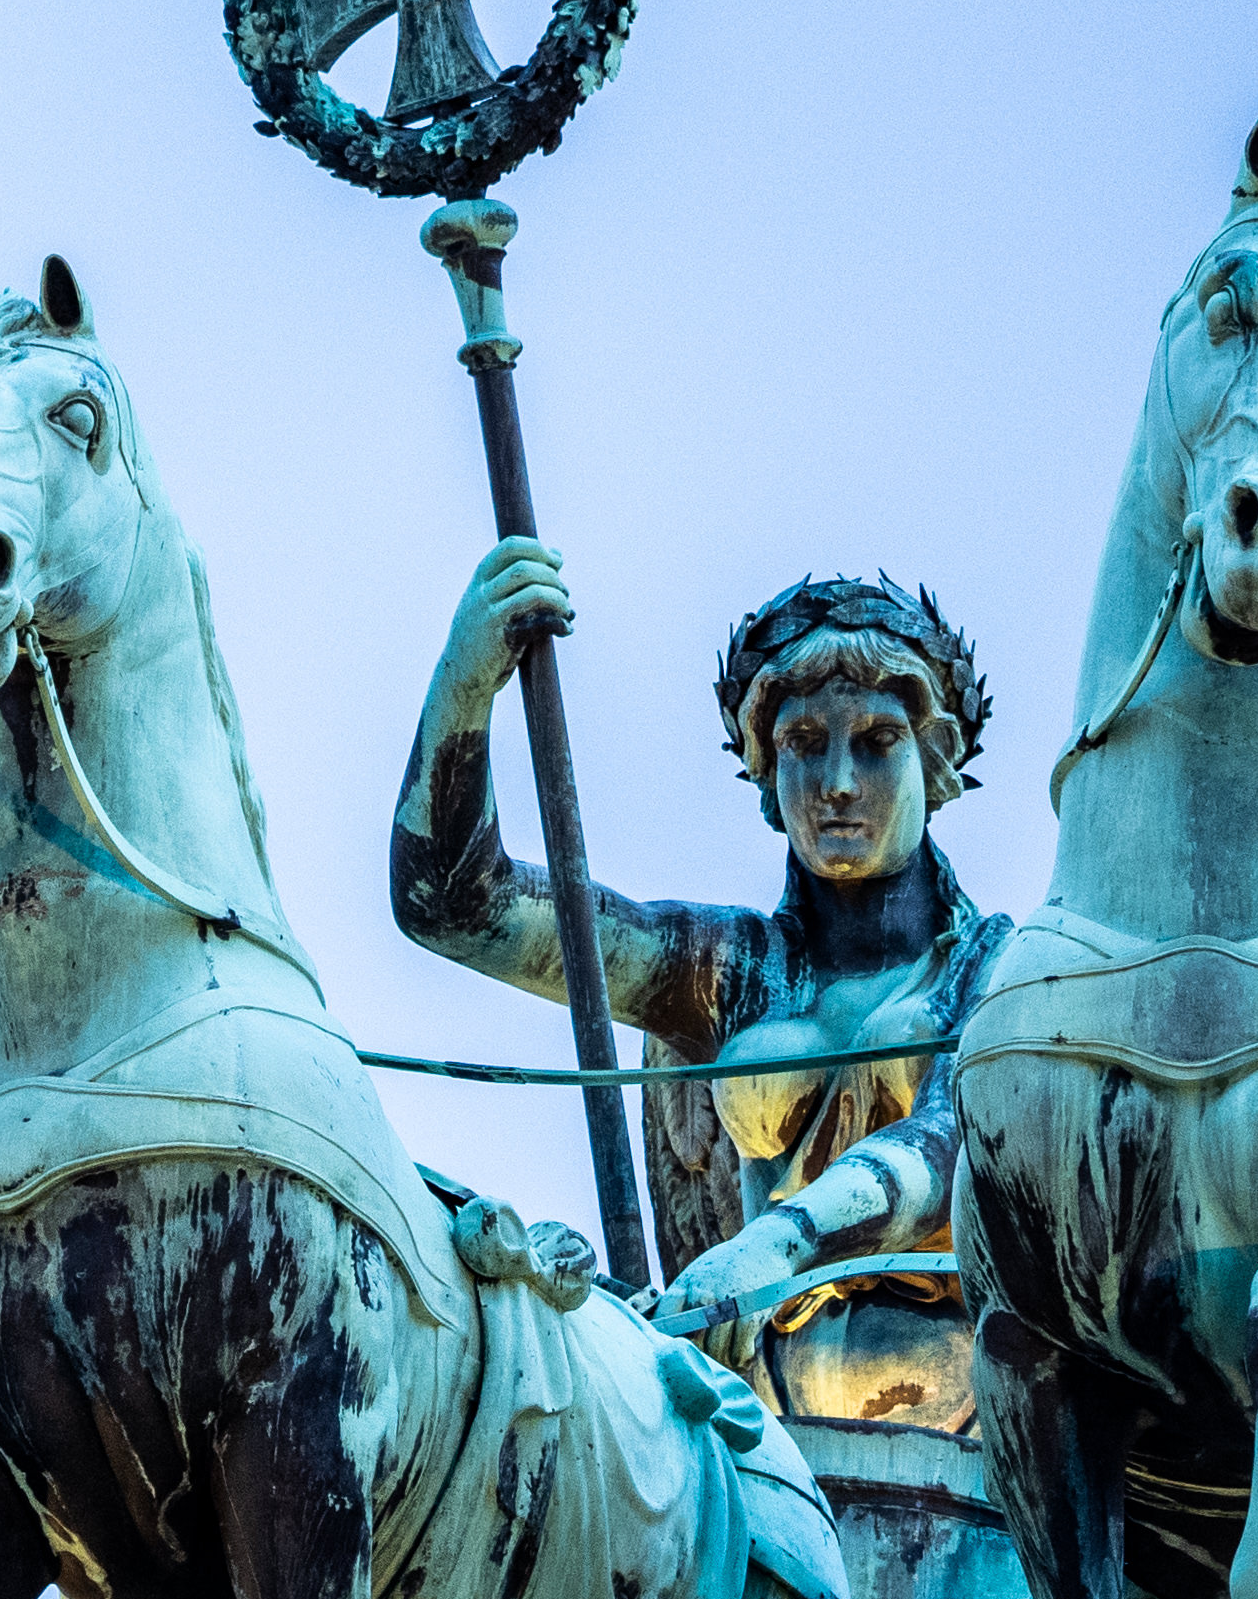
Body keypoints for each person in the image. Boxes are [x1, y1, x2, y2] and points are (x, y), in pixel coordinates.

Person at [390, 546, 1010, 1429]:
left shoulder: (996, 967)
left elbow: (947, 1145)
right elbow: (456, 904)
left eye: (876, 742)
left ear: (935, 757)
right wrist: (465, 680)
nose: (837, 783)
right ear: (766, 776)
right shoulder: (725, 970)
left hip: (959, 1415)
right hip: (757, 1417)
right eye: (803, 744)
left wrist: (771, 1246)